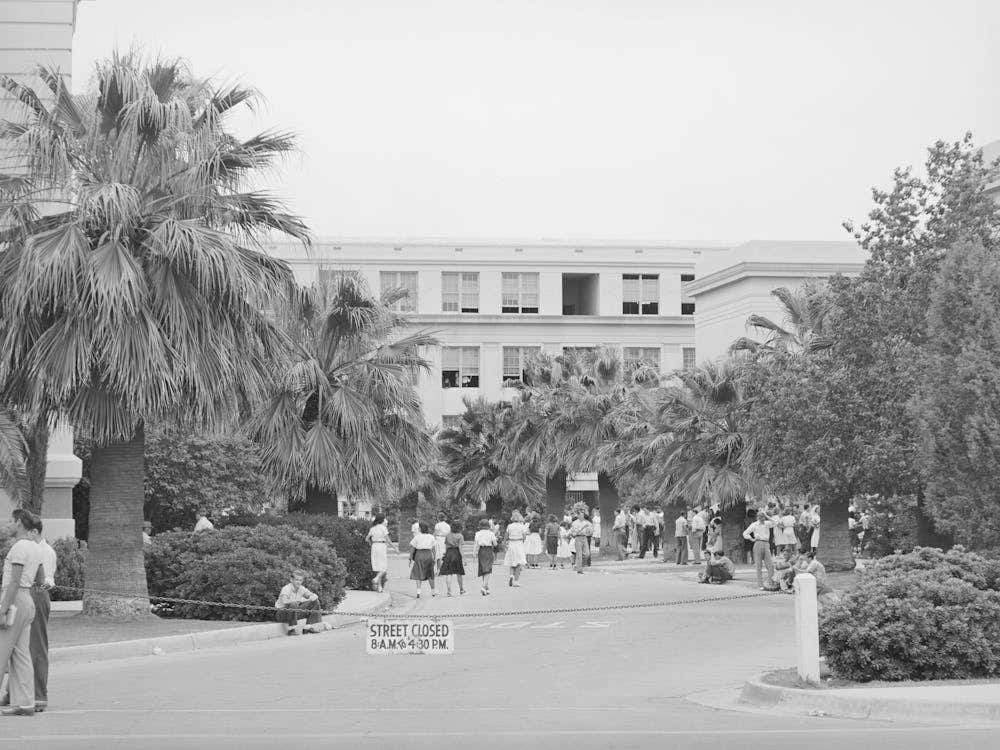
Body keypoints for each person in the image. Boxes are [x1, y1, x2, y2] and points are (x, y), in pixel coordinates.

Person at [0, 510, 43, 716]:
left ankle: (23, 703)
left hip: (15, 600)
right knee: (21, 654)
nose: (8, 524)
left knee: (2, 652)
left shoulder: (19, 547)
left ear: (19, 523)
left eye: (10, 520)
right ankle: (25, 703)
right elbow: (40, 578)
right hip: (27, 601)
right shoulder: (35, 547)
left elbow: (14, 582)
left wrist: (3, 609)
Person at [275, 569, 325, 636]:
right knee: (293, 603)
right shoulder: (286, 588)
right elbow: (285, 601)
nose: (298, 582)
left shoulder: (301, 588)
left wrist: (313, 596)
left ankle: (307, 628)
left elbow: (312, 595)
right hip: (282, 614)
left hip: (294, 612)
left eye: (300, 580)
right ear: (291, 580)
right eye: (296, 580)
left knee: (314, 601)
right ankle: (291, 630)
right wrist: (300, 600)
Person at [743, 511, 775, 590]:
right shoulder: (754, 525)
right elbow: (745, 533)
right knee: (758, 565)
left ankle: (771, 582)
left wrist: (768, 516)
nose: (762, 519)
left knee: (770, 564)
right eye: (760, 517)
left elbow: (776, 522)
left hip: (766, 543)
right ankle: (760, 584)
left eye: (763, 517)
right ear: (758, 517)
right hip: (758, 543)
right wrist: (752, 539)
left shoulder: (767, 523)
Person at [409, 521, 437, 598]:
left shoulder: (417, 537)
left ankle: (418, 592)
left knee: (418, 573)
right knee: (430, 574)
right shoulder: (431, 537)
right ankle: (433, 591)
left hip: (419, 555)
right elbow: (434, 549)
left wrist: (410, 558)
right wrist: (434, 557)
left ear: (420, 529)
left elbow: (412, 548)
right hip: (428, 554)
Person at [439, 521, 466, 596]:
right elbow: (460, 548)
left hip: (449, 553)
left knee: (448, 573)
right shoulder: (460, 536)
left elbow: (446, 546)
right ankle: (461, 589)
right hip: (457, 553)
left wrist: (445, 554)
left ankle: (449, 591)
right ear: (459, 528)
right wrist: (463, 558)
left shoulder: (448, 535)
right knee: (459, 573)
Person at [365, 514, 391, 592]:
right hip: (381, 546)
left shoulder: (372, 528)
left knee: (377, 566)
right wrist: (395, 548)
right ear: (382, 520)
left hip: (374, 546)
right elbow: (388, 540)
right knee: (384, 567)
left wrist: (371, 544)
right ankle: (376, 579)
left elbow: (366, 539)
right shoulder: (383, 528)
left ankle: (379, 587)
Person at [472, 519, 498, 595]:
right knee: (488, 569)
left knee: (483, 569)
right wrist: (495, 541)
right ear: (488, 526)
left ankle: (486, 588)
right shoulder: (491, 533)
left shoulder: (477, 533)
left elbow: (476, 544)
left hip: (481, 551)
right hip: (489, 550)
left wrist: (474, 552)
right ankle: (483, 587)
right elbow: (495, 544)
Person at [503, 511, 528, 587]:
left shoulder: (509, 526)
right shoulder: (522, 526)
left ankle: (511, 576)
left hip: (511, 543)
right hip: (519, 544)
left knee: (512, 562)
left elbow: (506, 536)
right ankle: (516, 581)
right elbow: (524, 537)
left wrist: (504, 542)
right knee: (518, 563)